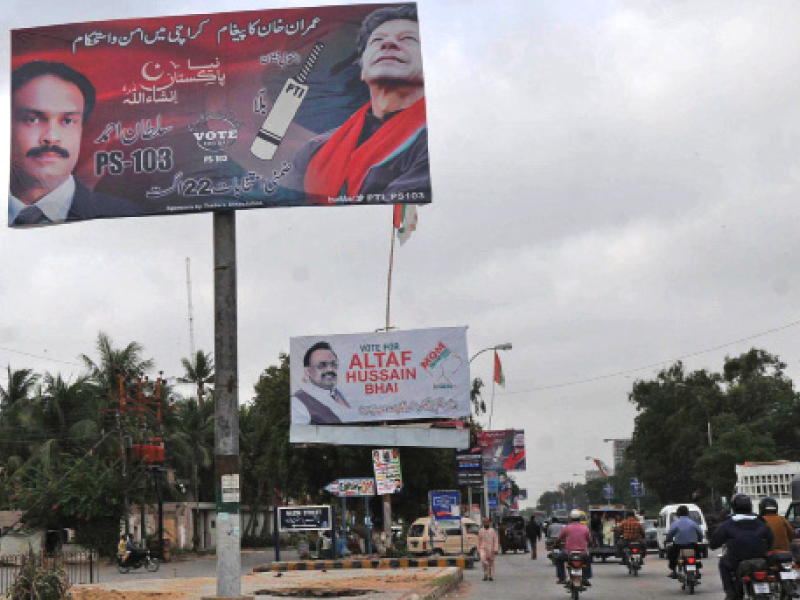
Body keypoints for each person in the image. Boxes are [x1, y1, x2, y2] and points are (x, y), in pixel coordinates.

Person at [284, 4, 429, 203]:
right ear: (362, 69)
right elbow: (289, 201)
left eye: (408, 39)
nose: (388, 44)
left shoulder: (431, 141)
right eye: (377, 40)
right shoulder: (314, 149)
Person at [10, 60, 142, 226]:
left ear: (82, 130)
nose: (51, 137)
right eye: (32, 119)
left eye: (68, 121)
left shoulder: (126, 217)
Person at [710, 493, 774, 600]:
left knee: (723, 564)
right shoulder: (760, 521)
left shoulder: (729, 523)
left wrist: (714, 544)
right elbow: (770, 538)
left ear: (734, 507)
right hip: (760, 557)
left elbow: (714, 542)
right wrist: (766, 550)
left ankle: (730, 592)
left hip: (737, 558)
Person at [291, 341, 352, 424]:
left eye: (333, 365)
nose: (330, 369)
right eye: (322, 365)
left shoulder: (342, 395)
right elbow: (301, 434)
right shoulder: (298, 401)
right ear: (308, 371)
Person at [555, 509, 593, 586]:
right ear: (579, 519)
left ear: (570, 518)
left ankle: (562, 578)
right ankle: (586, 577)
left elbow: (559, 538)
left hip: (569, 553)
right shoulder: (585, 528)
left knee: (559, 559)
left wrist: (556, 544)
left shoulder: (566, 528)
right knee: (588, 559)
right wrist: (591, 544)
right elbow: (590, 540)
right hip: (582, 553)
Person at [665, 504, 704, 579]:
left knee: (671, 554)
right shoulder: (693, 523)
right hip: (692, 545)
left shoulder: (676, 523)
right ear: (687, 513)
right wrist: (700, 539)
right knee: (698, 555)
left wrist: (668, 540)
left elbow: (670, 534)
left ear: (678, 513)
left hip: (679, 546)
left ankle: (674, 571)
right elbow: (700, 533)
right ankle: (698, 570)